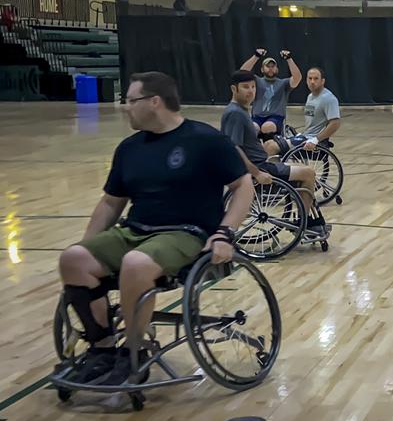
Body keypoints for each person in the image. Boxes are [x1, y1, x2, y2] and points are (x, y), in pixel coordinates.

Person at [57, 72, 254, 386]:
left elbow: (243, 185)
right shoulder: (129, 148)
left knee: (136, 263)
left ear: (155, 102)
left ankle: (136, 351)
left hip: (186, 233)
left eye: (131, 100)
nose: (125, 107)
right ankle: (103, 347)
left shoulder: (205, 140)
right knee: (73, 259)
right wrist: (88, 248)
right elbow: (111, 203)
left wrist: (225, 232)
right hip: (136, 230)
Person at [221, 71, 328, 234]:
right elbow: (233, 149)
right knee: (308, 174)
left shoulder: (241, 110)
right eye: (245, 87)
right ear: (233, 89)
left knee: (299, 169)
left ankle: (303, 218)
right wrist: (257, 173)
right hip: (260, 168)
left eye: (253, 87)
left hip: (263, 164)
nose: (251, 91)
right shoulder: (234, 113)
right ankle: (303, 222)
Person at [238, 48, 303, 139]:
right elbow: (242, 73)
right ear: (262, 69)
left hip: (275, 117)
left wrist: (289, 59)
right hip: (257, 117)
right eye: (268, 66)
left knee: (267, 127)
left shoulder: (283, 83)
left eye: (273, 66)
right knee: (252, 128)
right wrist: (256, 56)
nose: (270, 69)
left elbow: (297, 78)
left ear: (277, 69)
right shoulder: (257, 81)